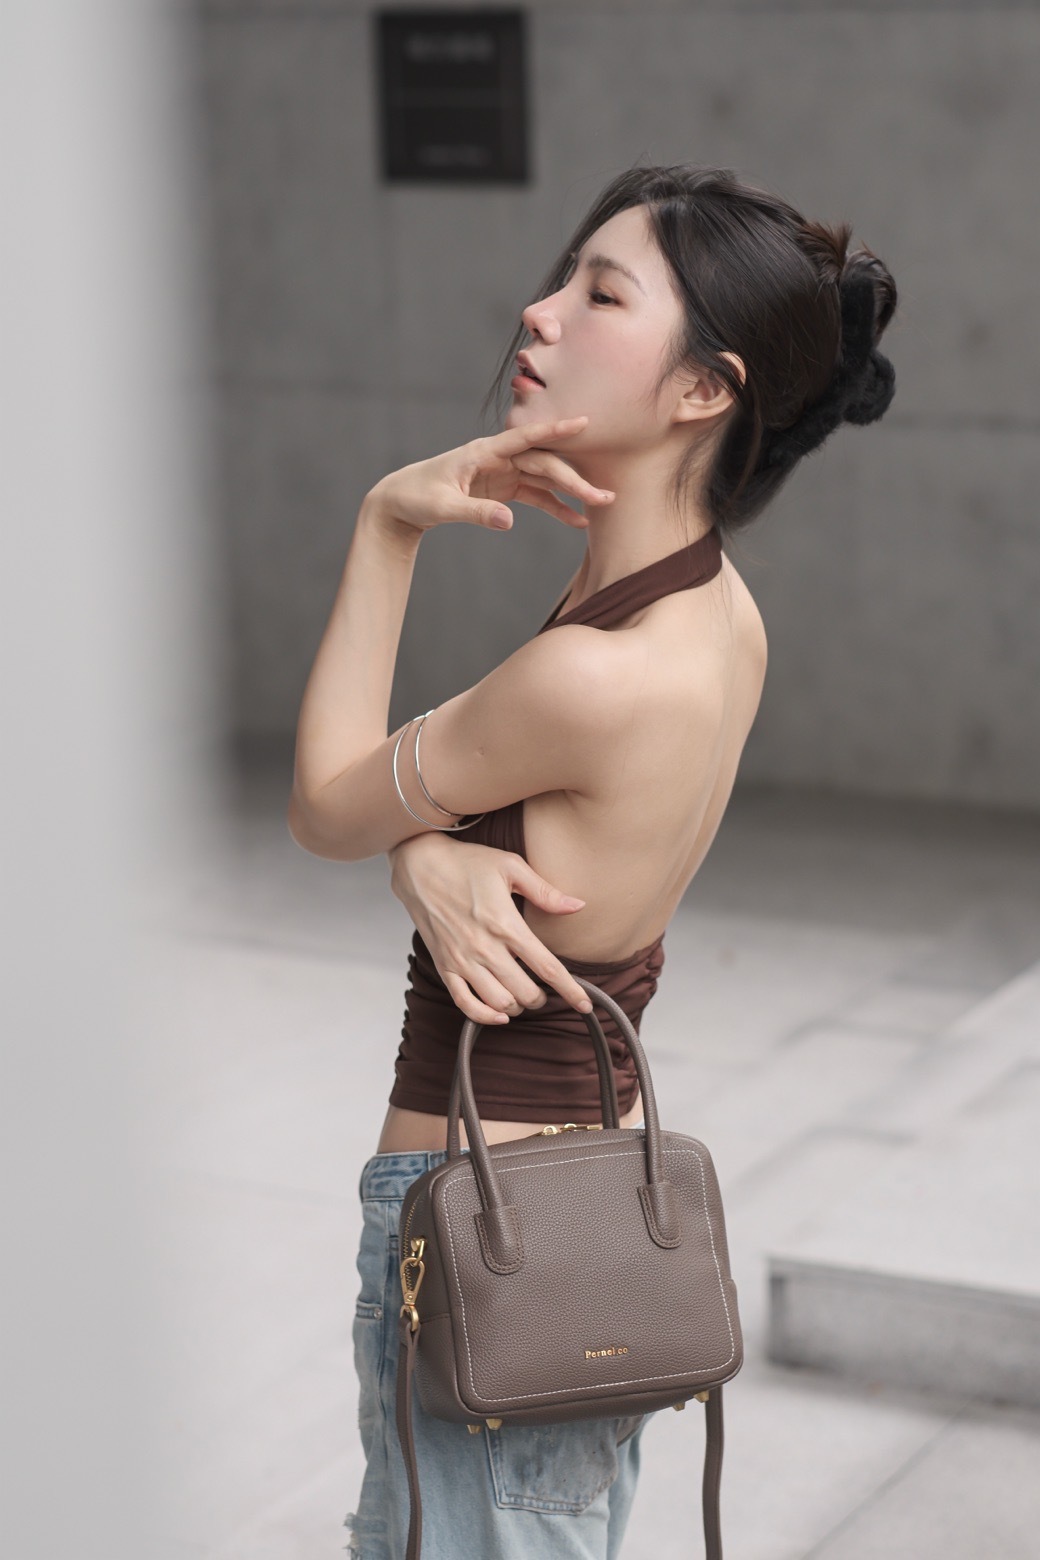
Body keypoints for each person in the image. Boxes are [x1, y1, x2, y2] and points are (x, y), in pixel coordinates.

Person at [287, 163, 897, 1560]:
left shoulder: (589, 675)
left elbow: (325, 804)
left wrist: (388, 527)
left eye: (602, 294)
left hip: (484, 1232)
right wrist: (427, 858)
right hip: (578, 1220)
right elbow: (545, 849)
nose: (541, 310)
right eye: (566, 274)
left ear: (702, 390)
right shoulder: (718, 614)